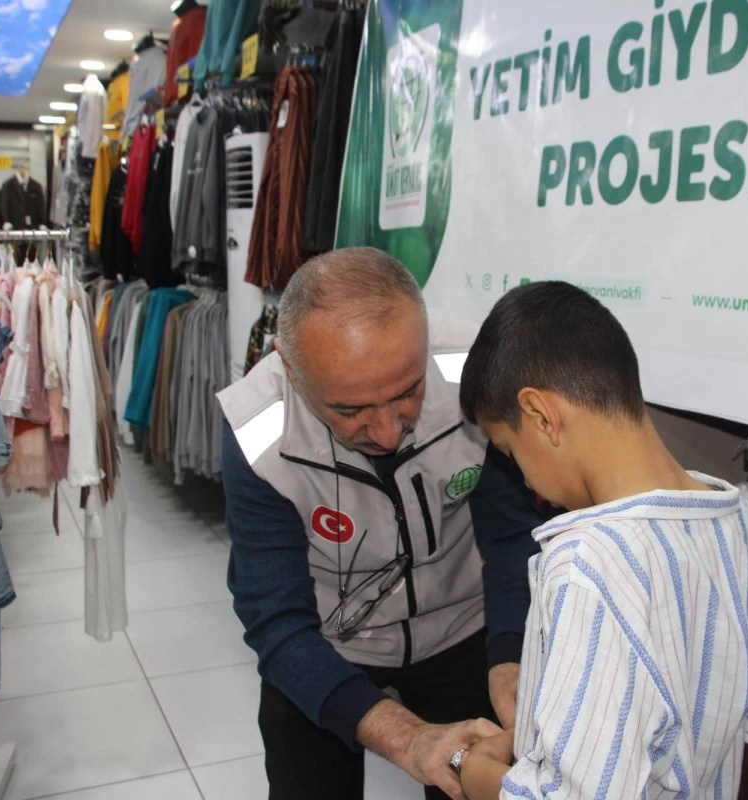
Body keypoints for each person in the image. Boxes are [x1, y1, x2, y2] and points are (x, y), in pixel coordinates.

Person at [453, 281, 748, 799]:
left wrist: (478, 776)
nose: (523, 480)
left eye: (509, 450)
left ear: (541, 416)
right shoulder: (742, 518)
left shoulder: (588, 566)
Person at [216, 247, 545, 799]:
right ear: (291, 373)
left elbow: (513, 539)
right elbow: (276, 621)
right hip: (324, 649)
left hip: (468, 633)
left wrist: (510, 659)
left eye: (407, 392)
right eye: (350, 411)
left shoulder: (473, 364)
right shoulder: (255, 429)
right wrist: (409, 738)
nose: (389, 433)